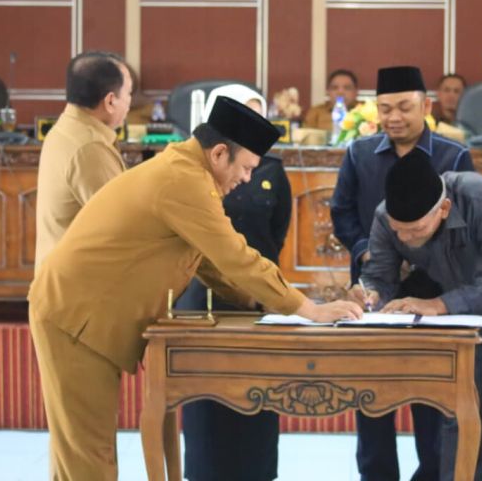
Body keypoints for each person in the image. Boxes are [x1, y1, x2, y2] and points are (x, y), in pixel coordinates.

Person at [28, 96, 362, 480]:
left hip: (82, 314)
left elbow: (208, 262)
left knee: (82, 455)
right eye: (246, 168)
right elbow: (235, 256)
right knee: (89, 459)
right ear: (219, 153)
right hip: (74, 316)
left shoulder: (187, 171)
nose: (248, 179)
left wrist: (258, 301)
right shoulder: (183, 180)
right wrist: (309, 309)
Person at [351, 149, 482, 481]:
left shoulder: (477, 194)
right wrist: (370, 294)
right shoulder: (384, 217)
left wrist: (439, 305)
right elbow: (379, 276)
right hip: (461, 302)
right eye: (398, 230)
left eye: (415, 230)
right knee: (462, 407)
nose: (405, 239)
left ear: (444, 209)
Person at [330, 65, 474, 481]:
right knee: (371, 399)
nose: (393, 118)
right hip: (373, 289)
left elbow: (466, 222)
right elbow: (341, 210)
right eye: (385, 109)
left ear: (426, 106)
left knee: (432, 402)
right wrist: (367, 251)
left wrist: (426, 252)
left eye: (404, 108)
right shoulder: (359, 153)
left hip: (434, 293)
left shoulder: (453, 156)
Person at [176, 85, 291, 481]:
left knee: (260, 403)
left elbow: (277, 234)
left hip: (260, 303)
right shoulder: (192, 173)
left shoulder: (271, 169)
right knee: (206, 410)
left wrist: (263, 287)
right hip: (203, 301)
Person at [35, 50, 133, 273]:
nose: (129, 102)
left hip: (59, 276)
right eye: (128, 93)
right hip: (79, 283)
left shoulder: (66, 127)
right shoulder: (89, 147)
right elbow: (124, 226)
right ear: (110, 101)